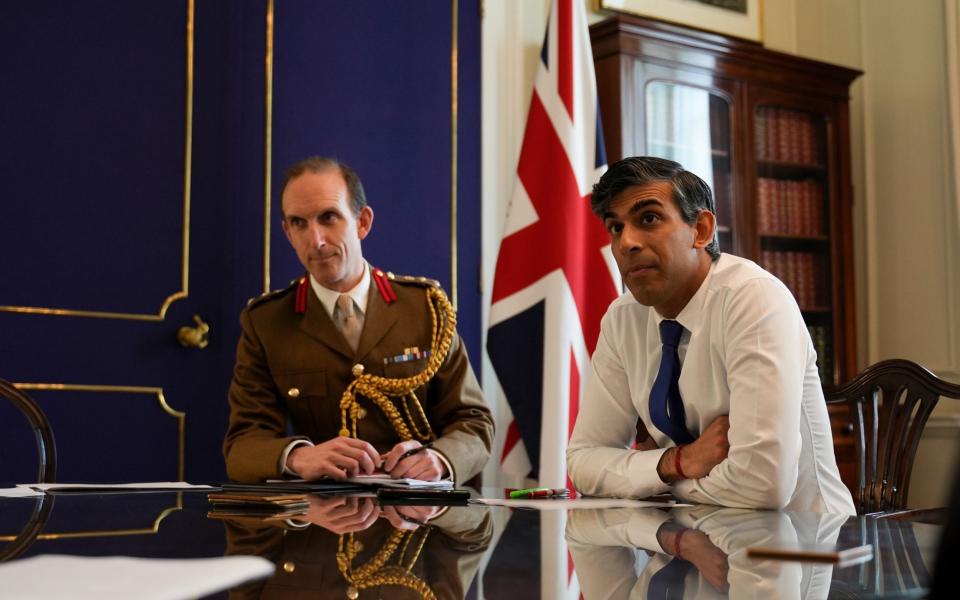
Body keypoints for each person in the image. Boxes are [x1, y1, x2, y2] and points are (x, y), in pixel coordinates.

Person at [566, 156, 854, 514]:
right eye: (615, 227)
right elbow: (583, 462)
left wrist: (657, 484)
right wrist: (679, 462)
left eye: (648, 219)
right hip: (691, 543)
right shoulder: (622, 318)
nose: (627, 243)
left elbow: (763, 487)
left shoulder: (754, 298)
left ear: (701, 230)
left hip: (798, 546)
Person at [224, 156, 493, 485]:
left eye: (329, 217)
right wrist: (297, 456)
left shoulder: (425, 309)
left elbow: (474, 423)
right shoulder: (267, 323)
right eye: (299, 223)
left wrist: (439, 459)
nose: (316, 240)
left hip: (421, 520)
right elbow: (242, 445)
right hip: (322, 521)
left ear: (362, 222)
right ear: (287, 233)